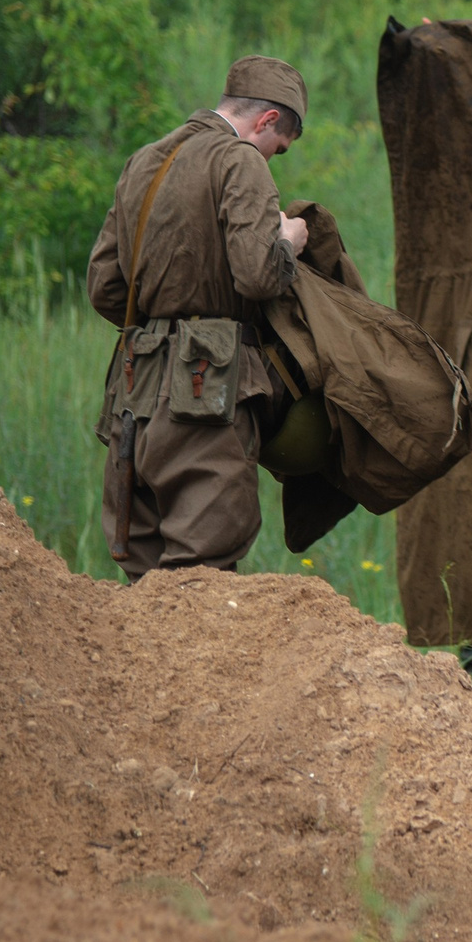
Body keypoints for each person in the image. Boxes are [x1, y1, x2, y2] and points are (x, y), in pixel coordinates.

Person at [89, 56, 312, 578]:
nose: (271, 158)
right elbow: (259, 276)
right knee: (201, 580)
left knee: (144, 580)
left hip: (134, 393)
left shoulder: (144, 160)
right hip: (207, 395)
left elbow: (104, 288)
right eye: (277, 149)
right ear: (268, 122)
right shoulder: (239, 161)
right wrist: (288, 242)